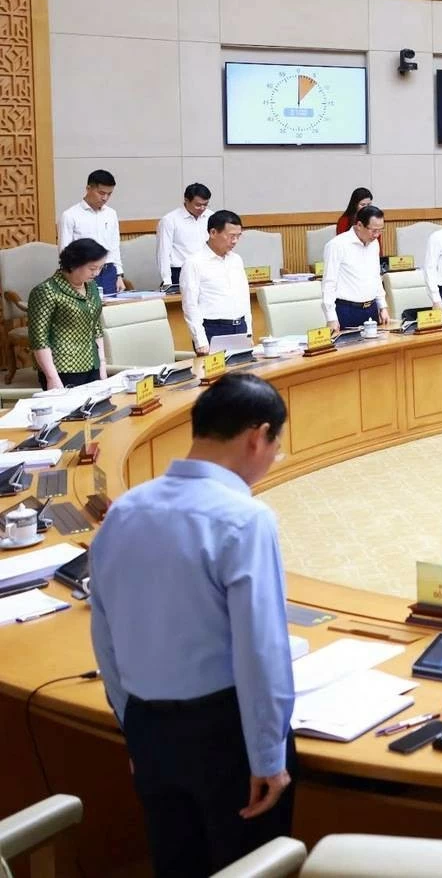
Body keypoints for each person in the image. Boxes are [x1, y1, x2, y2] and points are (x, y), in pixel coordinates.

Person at [89, 373, 297, 878]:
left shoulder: (126, 510)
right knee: (249, 868)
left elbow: (104, 634)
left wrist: (133, 730)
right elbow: (260, 650)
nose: (272, 460)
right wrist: (268, 755)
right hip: (225, 737)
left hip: (149, 729)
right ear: (257, 436)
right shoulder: (246, 518)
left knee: (177, 866)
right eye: (275, 447)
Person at [29, 238, 111, 389]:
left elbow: (96, 326)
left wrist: (102, 365)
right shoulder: (46, 291)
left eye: (101, 268)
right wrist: (52, 377)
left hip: (92, 362)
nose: (97, 273)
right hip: (63, 368)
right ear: (73, 264)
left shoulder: (91, 287)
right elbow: (39, 339)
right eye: (92, 268)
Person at [179, 210, 253, 354]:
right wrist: (200, 340)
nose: (235, 241)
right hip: (214, 329)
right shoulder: (194, 263)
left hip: (240, 327)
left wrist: (249, 331)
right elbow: (190, 305)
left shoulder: (236, 260)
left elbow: (244, 297)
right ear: (213, 233)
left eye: (238, 236)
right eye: (231, 236)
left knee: (242, 374)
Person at [56, 168, 124, 295]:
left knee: (111, 312)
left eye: (109, 194)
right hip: (83, 272)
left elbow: (115, 246)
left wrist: (119, 275)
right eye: (101, 193)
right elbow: (64, 252)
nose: (105, 198)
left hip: (109, 271)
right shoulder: (70, 215)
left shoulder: (111, 214)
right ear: (88, 189)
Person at [320, 205, 388, 329]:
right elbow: (329, 283)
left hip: (371, 309)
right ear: (359, 225)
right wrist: (331, 317)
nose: (377, 235)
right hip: (347, 311)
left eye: (380, 230)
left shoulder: (374, 244)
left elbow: (375, 276)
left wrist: (382, 306)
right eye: (373, 230)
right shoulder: (337, 245)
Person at [157, 182, 212, 289]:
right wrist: (167, 280)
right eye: (198, 204)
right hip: (180, 271)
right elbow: (163, 252)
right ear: (186, 200)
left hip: (207, 269)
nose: (202, 208)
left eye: (205, 204)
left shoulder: (211, 216)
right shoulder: (169, 220)